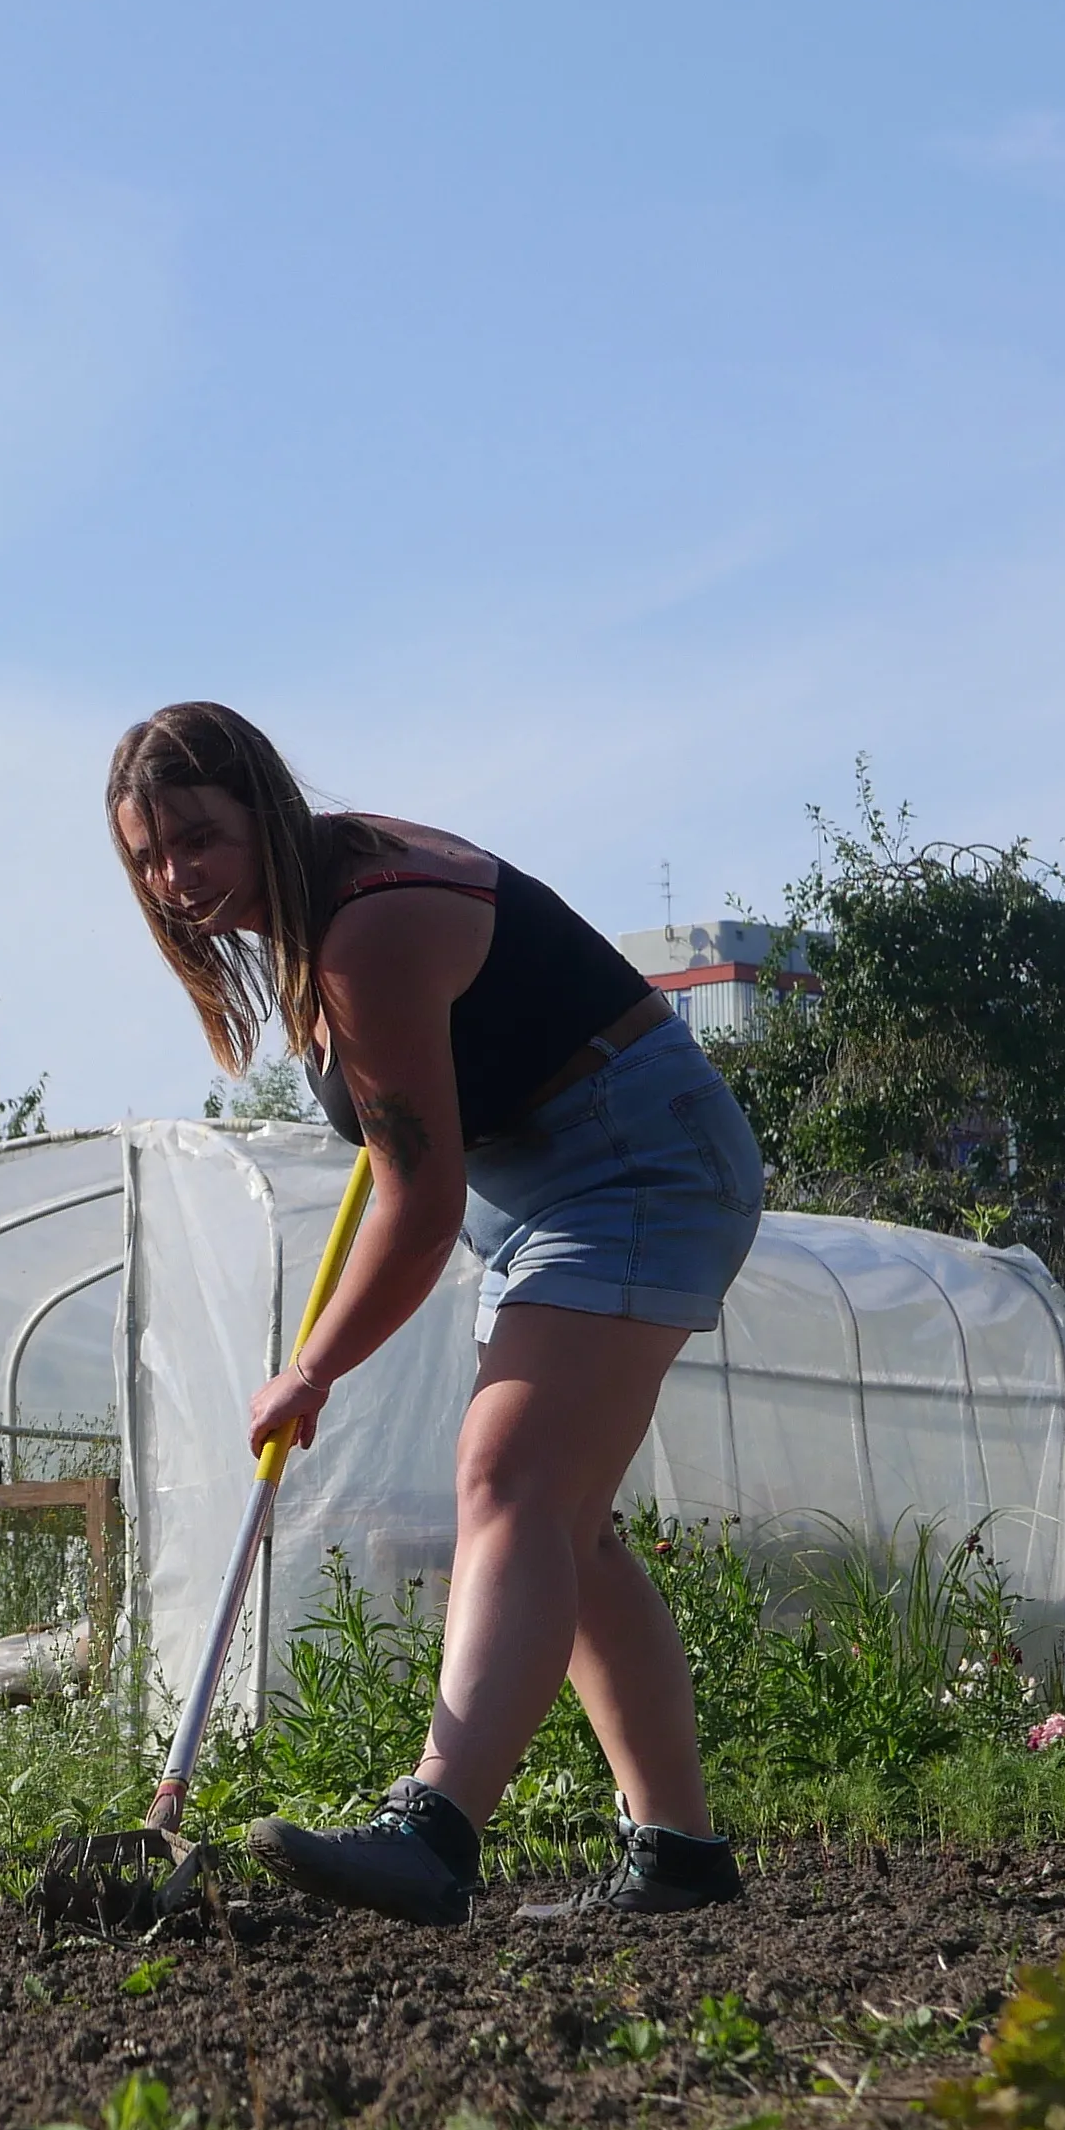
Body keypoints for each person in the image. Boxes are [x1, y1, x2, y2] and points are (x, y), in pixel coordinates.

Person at [107, 698, 762, 1928]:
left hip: (637, 1162)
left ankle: (435, 1830)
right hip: (542, 1190)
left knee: (505, 1476)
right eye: (146, 856)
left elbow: (417, 1202)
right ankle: (677, 1852)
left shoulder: (367, 927)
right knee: (563, 1527)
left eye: (197, 838)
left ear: (264, 808)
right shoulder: (317, 923)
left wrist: (310, 1369)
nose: (174, 878)